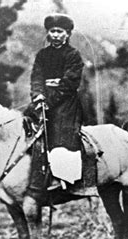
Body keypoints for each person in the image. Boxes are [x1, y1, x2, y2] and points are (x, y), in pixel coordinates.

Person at [25, 13, 87, 199]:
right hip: (43, 100)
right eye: (52, 31)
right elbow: (36, 77)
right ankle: (32, 175)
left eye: (60, 31)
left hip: (65, 103)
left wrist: (48, 100)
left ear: (67, 34)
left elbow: (70, 82)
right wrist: (38, 96)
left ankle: (62, 179)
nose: (56, 35)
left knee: (61, 136)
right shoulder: (42, 55)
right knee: (26, 127)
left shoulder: (73, 55)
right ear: (48, 33)